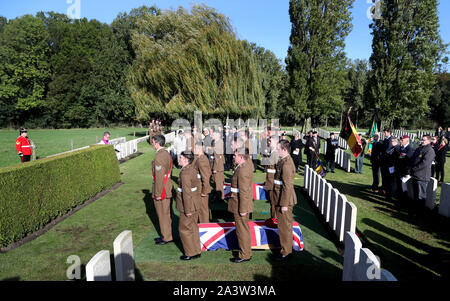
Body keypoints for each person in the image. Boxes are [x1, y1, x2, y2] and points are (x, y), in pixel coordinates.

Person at [270, 139, 297, 262]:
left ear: (284, 150)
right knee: (284, 226)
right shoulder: (283, 160)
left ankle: (286, 252)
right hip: (280, 197)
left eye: (279, 149)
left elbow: (287, 186)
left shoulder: (286, 164)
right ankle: (286, 248)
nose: (277, 151)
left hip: (284, 200)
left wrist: (284, 204)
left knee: (284, 227)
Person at [228, 147, 254, 263]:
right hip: (239, 202)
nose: (234, 156)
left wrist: (243, 209)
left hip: (240, 204)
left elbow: (243, 191)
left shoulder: (242, 170)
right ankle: (245, 252)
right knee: (242, 229)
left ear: (242, 157)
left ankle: (244, 255)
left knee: (242, 230)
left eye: (235, 155)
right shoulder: (241, 167)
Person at [176, 151, 202, 261]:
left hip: (188, 205)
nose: (179, 159)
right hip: (195, 203)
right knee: (193, 227)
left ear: (186, 160)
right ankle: (196, 251)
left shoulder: (185, 173)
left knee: (185, 229)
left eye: (181, 158)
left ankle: (190, 253)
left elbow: (186, 193)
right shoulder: (193, 169)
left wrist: (187, 209)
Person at [151, 134, 174, 245]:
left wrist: (158, 193)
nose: (152, 144)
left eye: (153, 142)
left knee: (163, 214)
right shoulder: (166, 154)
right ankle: (168, 235)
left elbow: (159, 176)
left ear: (157, 143)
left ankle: (166, 237)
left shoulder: (159, 156)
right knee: (166, 214)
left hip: (162, 188)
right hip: (167, 185)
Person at [409, 135, 435, 215]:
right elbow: (413, 159)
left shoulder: (430, 150)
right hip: (415, 175)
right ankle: (415, 211)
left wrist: (414, 169)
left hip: (422, 176)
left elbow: (424, 163)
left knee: (421, 196)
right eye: (422, 140)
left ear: (429, 141)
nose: (422, 141)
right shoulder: (419, 148)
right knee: (416, 195)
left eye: (424, 140)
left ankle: (420, 213)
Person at [193, 142, 212, 223]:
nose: (194, 149)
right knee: (200, 209)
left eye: (195, 148)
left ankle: (205, 227)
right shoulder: (199, 158)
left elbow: (206, 177)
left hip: (201, 189)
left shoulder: (202, 160)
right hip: (199, 187)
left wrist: (204, 191)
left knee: (203, 211)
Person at [394, 135, 414, 206]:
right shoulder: (402, 148)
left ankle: (403, 203)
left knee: (404, 188)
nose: (400, 141)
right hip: (399, 171)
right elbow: (399, 159)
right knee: (399, 187)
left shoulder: (409, 149)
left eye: (402, 140)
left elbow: (409, 162)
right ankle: (399, 201)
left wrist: (407, 172)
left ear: (407, 140)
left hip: (404, 172)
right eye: (401, 140)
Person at [264, 136, 279, 218]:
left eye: (271, 141)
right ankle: (273, 218)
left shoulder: (275, 154)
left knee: (274, 203)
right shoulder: (272, 152)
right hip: (270, 181)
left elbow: (277, 171)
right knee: (272, 203)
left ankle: (275, 220)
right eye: (269, 141)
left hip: (273, 183)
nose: (269, 143)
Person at [384, 137, 400, 203]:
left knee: (392, 183)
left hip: (393, 167)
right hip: (389, 167)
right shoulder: (392, 148)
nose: (391, 142)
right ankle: (388, 195)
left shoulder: (397, 148)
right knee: (389, 182)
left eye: (392, 141)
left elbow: (396, 158)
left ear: (396, 142)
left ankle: (390, 196)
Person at [212, 132, 225, 202]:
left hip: (218, 166)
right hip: (217, 165)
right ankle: (219, 196)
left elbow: (218, 158)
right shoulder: (216, 142)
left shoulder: (219, 143)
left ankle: (220, 197)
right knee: (217, 182)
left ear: (218, 135)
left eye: (214, 135)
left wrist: (215, 168)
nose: (212, 136)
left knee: (218, 182)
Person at [380, 127, 393, 196]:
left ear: (389, 132)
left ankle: (386, 190)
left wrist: (382, 154)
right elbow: (382, 148)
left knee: (387, 177)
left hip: (387, 162)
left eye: (385, 132)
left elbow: (387, 151)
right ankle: (383, 189)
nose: (384, 133)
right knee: (383, 176)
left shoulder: (391, 140)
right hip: (383, 161)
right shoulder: (386, 139)